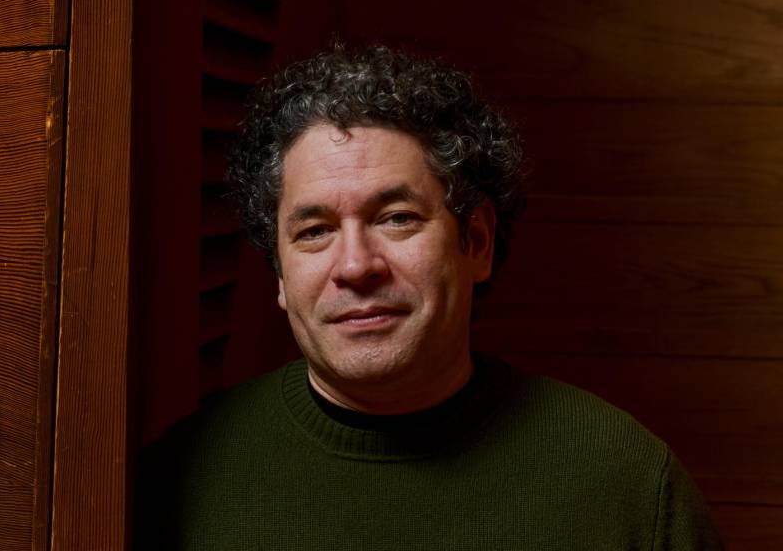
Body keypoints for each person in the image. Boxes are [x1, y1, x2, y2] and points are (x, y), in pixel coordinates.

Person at [133, 45, 724, 549]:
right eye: (314, 231)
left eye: (396, 218)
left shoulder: (626, 482)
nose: (356, 266)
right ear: (281, 276)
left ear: (476, 241)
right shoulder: (173, 483)